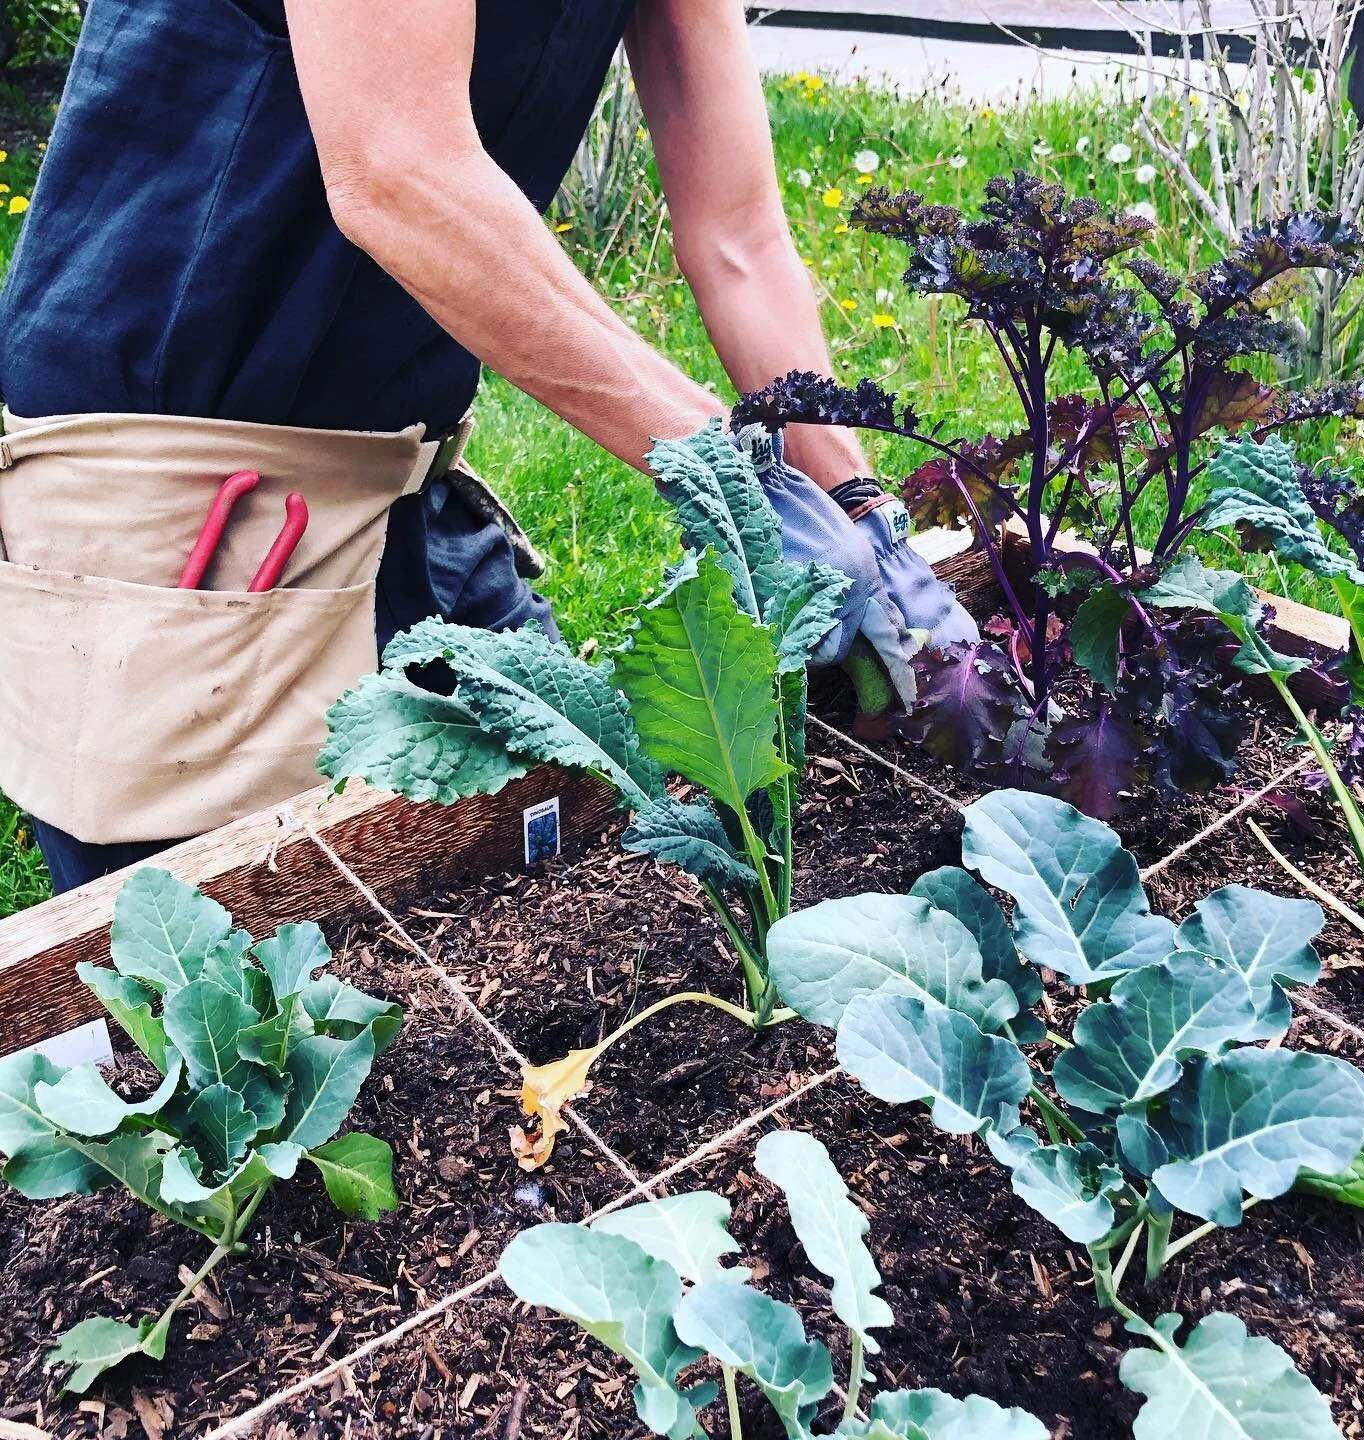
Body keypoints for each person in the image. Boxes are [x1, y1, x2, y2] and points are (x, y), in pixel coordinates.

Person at [0, 0, 976, 896]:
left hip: (395, 472)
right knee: (262, 1011)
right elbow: (397, 172)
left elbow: (739, 237)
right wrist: (737, 478)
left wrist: (857, 509)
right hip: (184, 497)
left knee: (583, 853)